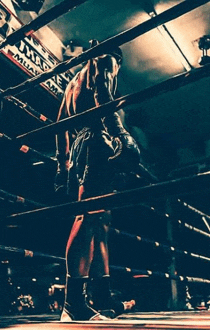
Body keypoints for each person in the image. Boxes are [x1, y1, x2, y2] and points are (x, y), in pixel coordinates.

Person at [55, 40, 140, 322]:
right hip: (96, 142)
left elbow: (60, 127)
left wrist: (62, 164)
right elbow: (104, 93)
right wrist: (123, 135)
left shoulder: (71, 84)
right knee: (88, 218)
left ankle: (101, 296)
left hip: (82, 146)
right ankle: (73, 304)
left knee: (100, 222)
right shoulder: (105, 59)